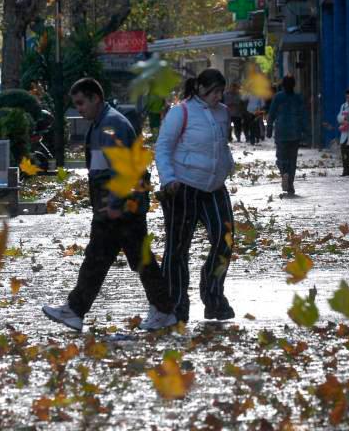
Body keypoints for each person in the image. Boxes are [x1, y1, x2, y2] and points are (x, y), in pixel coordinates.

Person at [42, 78, 173, 331]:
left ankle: (163, 309)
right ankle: (77, 310)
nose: (79, 109)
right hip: (118, 207)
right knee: (109, 259)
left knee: (117, 260)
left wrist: (114, 204)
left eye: (81, 103)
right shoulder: (103, 123)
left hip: (120, 209)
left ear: (95, 99)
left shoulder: (110, 125)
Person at [154, 68, 236, 322]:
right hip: (183, 187)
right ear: (200, 88)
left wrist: (227, 166)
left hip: (214, 188)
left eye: (221, 91)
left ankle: (214, 297)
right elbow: (163, 147)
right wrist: (168, 179)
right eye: (214, 91)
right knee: (177, 248)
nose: (218, 96)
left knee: (225, 241)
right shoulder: (181, 112)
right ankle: (176, 305)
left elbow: (222, 144)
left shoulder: (223, 113)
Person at [268, 75, 309, 195]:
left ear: (283, 85)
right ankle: (290, 183)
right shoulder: (298, 98)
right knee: (292, 159)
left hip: (281, 132)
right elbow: (303, 115)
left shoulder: (278, 97)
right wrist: (306, 132)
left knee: (281, 158)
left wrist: (269, 128)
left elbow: (272, 113)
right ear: (294, 85)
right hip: (294, 133)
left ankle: (284, 172)